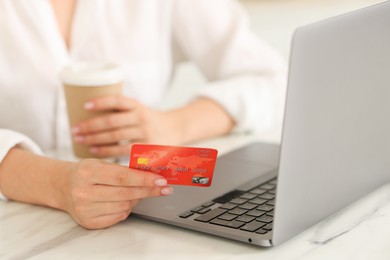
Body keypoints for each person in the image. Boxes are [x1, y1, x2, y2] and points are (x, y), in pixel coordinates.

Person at [0, 0, 287, 229]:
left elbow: (273, 79)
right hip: (17, 222)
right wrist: (57, 183)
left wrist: (175, 125)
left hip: (140, 214)